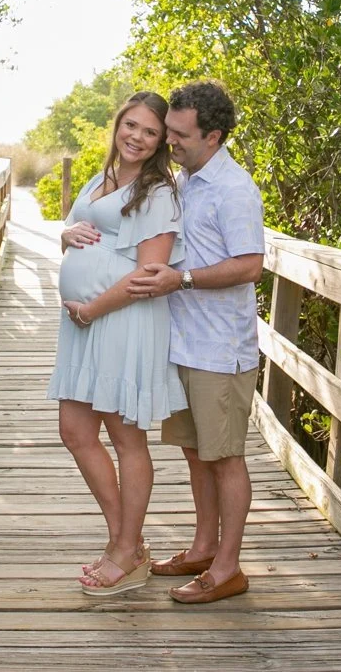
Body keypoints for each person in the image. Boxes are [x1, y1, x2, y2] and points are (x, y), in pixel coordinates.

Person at [128, 80, 265, 605]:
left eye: (181, 135)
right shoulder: (186, 179)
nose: (171, 142)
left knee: (226, 456)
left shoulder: (234, 189)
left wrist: (180, 280)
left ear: (214, 136)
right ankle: (203, 547)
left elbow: (251, 265)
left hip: (219, 349)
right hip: (182, 344)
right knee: (195, 452)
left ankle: (227, 568)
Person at [47, 91, 189, 596]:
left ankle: (126, 551)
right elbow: (78, 229)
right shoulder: (102, 175)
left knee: (126, 437)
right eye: (130, 125)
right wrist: (66, 238)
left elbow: (149, 274)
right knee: (75, 430)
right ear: (117, 125)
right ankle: (125, 543)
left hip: (120, 321)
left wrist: (90, 308)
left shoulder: (159, 194)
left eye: (149, 132)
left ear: (160, 142)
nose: (136, 137)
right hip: (83, 325)